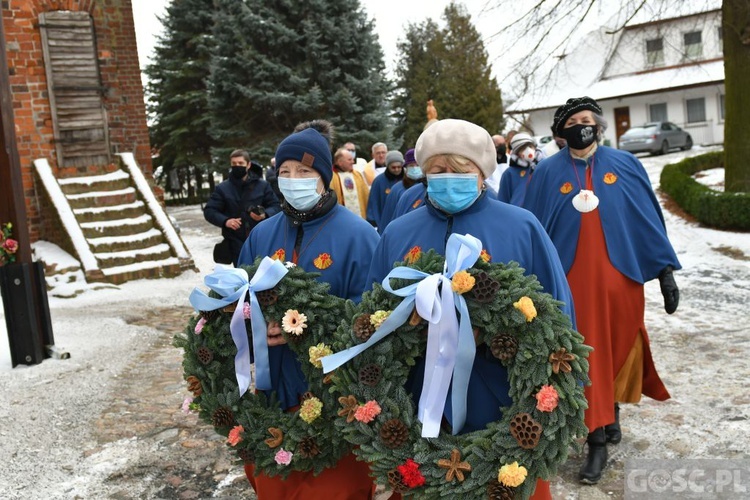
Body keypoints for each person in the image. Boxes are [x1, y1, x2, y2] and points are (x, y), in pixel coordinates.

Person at [367, 119, 576, 500]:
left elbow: (558, 315)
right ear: (425, 174)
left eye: (460, 170)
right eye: (438, 170)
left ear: (481, 173)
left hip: (503, 400)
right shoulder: (398, 233)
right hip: (416, 403)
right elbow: (372, 318)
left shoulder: (521, 227)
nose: (448, 178)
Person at [524, 96, 681, 485]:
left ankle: (610, 410)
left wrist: (664, 271)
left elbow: (646, 219)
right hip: (570, 285)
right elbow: (533, 230)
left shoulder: (626, 164)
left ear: (598, 125)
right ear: (563, 131)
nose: (583, 125)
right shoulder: (546, 173)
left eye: (588, 119)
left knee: (618, 345)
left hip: (621, 280)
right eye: (574, 121)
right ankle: (596, 440)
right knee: (585, 353)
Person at [237, 127, 380, 499]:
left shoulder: (360, 236)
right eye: (284, 173)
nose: (292, 181)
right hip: (275, 390)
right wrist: (253, 325)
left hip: (336, 393)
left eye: (304, 173)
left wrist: (306, 329)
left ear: (324, 177)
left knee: (335, 488)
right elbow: (238, 299)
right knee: (274, 484)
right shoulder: (262, 234)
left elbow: (372, 315)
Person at [203, 149, 281, 266]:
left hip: (261, 238)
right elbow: (209, 211)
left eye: (240, 163)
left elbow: (275, 206)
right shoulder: (223, 188)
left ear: (248, 165)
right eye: (234, 164)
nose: (237, 166)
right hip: (235, 241)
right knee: (242, 275)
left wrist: (265, 215)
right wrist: (226, 221)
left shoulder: (262, 186)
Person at [378, 148, 421, 233]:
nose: (415, 168)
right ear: (406, 167)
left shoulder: (428, 188)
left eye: (417, 165)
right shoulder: (397, 189)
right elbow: (389, 215)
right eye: (411, 166)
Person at [497, 132, 544, 207]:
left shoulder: (544, 168)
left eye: (530, 146)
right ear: (517, 153)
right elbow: (502, 200)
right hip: (518, 214)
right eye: (523, 148)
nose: (528, 150)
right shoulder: (509, 173)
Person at [366, 150, 403, 229]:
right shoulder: (379, 181)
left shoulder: (407, 180)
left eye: (399, 167)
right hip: (385, 223)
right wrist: (373, 223)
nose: (396, 169)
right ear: (388, 166)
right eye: (393, 167)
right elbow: (373, 203)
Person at [331, 147, 370, 220]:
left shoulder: (357, 175)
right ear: (340, 162)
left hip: (359, 218)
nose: (353, 162)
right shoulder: (331, 177)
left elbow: (366, 195)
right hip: (340, 219)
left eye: (352, 159)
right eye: (349, 160)